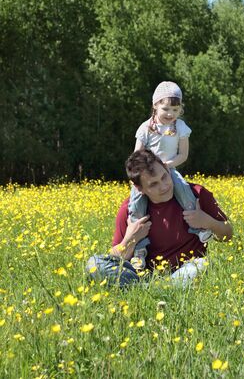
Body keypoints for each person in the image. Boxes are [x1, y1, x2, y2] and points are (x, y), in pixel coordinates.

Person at [86, 149, 233, 287]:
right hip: (143, 274)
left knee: (202, 266)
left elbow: (228, 234)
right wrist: (131, 238)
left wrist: (206, 221)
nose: (164, 186)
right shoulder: (129, 211)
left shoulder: (196, 195)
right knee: (94, 264)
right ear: (140, 189)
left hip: (187, 270)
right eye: (153, 184)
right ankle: (153, 289)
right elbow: (115, 258)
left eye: (164, 177)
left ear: (168, 169)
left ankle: (150, 290)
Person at [129, 81, 213, 271]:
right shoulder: (145, 128)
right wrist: (139, 177)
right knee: (136, 203)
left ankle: (198, 228)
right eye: (166, 108)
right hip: (146, 174)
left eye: (175, 109)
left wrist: (167, 165)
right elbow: (137, 156)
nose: (170, 114)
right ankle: (139, 250)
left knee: (184, 190)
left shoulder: (180, 127)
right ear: (155, 106)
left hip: (168, 169)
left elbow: (183, 155)